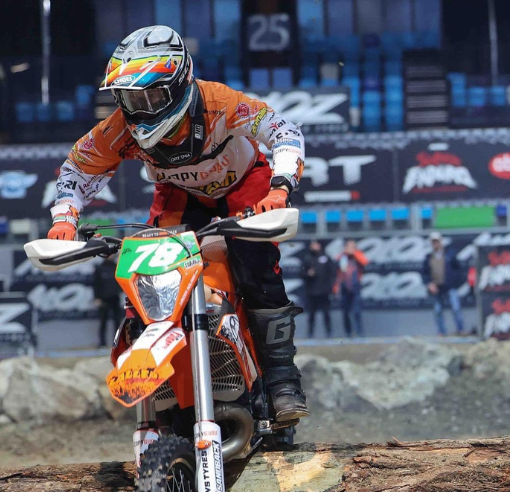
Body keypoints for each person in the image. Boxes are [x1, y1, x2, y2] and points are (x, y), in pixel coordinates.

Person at [45, 26, 309, 421]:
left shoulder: (221, 102)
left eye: (150, 95)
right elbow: (77, 167)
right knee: (149, 273)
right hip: (179, 195)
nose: (140, 107)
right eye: (130, 98)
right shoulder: (119, 127)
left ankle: (282, 381)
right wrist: (65, 217)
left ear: (178, 83)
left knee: (257, 268)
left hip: (245, 185)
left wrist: (280, 187)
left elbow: (283, 130)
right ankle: (160, 387)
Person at [421, 232, 466, 335]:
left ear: (441, 241)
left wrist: (454, 282)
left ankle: (460, 329)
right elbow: (424, 273)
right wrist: (429, 284)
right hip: (437, 288)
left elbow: (458, 269)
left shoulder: (449, 255)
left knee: (456, 308)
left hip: (450, 286)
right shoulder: (429, 257)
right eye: (433, 242)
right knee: (438, 311)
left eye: (437, 241)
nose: (435, 244)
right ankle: (441, 332)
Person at [302, 240, 338, 338]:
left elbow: (332, 272)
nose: (315, 246)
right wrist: (308, 274)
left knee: (326, 313)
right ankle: (310, 333)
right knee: (311, 315)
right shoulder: (307, 259)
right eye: (313, 245)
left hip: (324, 291)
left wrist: (330, 286)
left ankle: (329, 333)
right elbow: (301, 273)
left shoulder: (326, 257)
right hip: (312, 291)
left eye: (316, 244)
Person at [334, 239, 368, 337]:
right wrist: (336, 286)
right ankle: (348, 332)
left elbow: (365, 262)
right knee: (345, 312)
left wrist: (355, 254)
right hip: (344, 286)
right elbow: (337, 270)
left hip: (355, 286)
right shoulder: (342, 256)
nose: (350, 248)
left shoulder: (358, 255)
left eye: (353, 246)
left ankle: (359, 332)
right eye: (349, 246)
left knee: (357, 311)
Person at [92, 253, 124, 347]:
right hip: (103, 299)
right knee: (103, 322)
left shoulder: (117, 267)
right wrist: (97, 298)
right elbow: (96, 284)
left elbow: (121, 281)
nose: (110, 256)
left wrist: (120, 291)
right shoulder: (100, 268)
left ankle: (117, 343)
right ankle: (102, 343)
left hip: (115, 297)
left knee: (117, 322)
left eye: (112, 255)